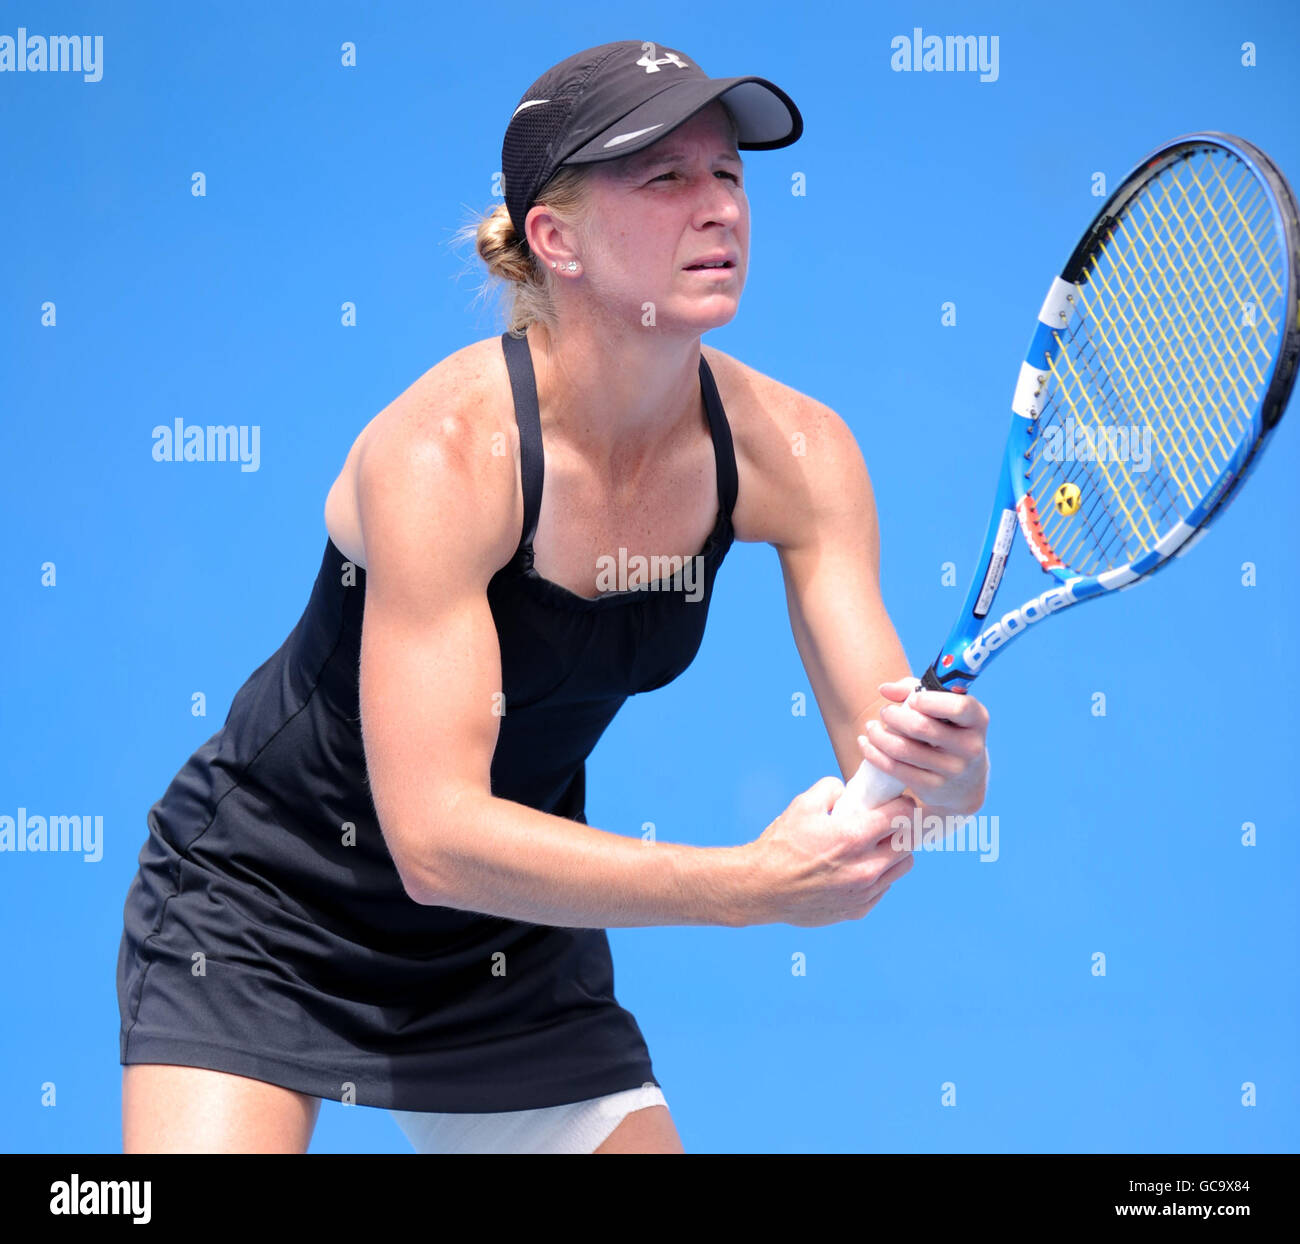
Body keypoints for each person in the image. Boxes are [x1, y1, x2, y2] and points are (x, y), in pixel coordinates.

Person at [117, 38, 990, 1155]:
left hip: (509, 932)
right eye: (666, 177)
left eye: (728, 172)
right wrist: (750, 884)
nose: (718, 206)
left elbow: (902, 768)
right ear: (554, 238)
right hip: (262, 912)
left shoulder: (800, 453)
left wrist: (947, 773)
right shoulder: (443, 453)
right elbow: (431, 838)